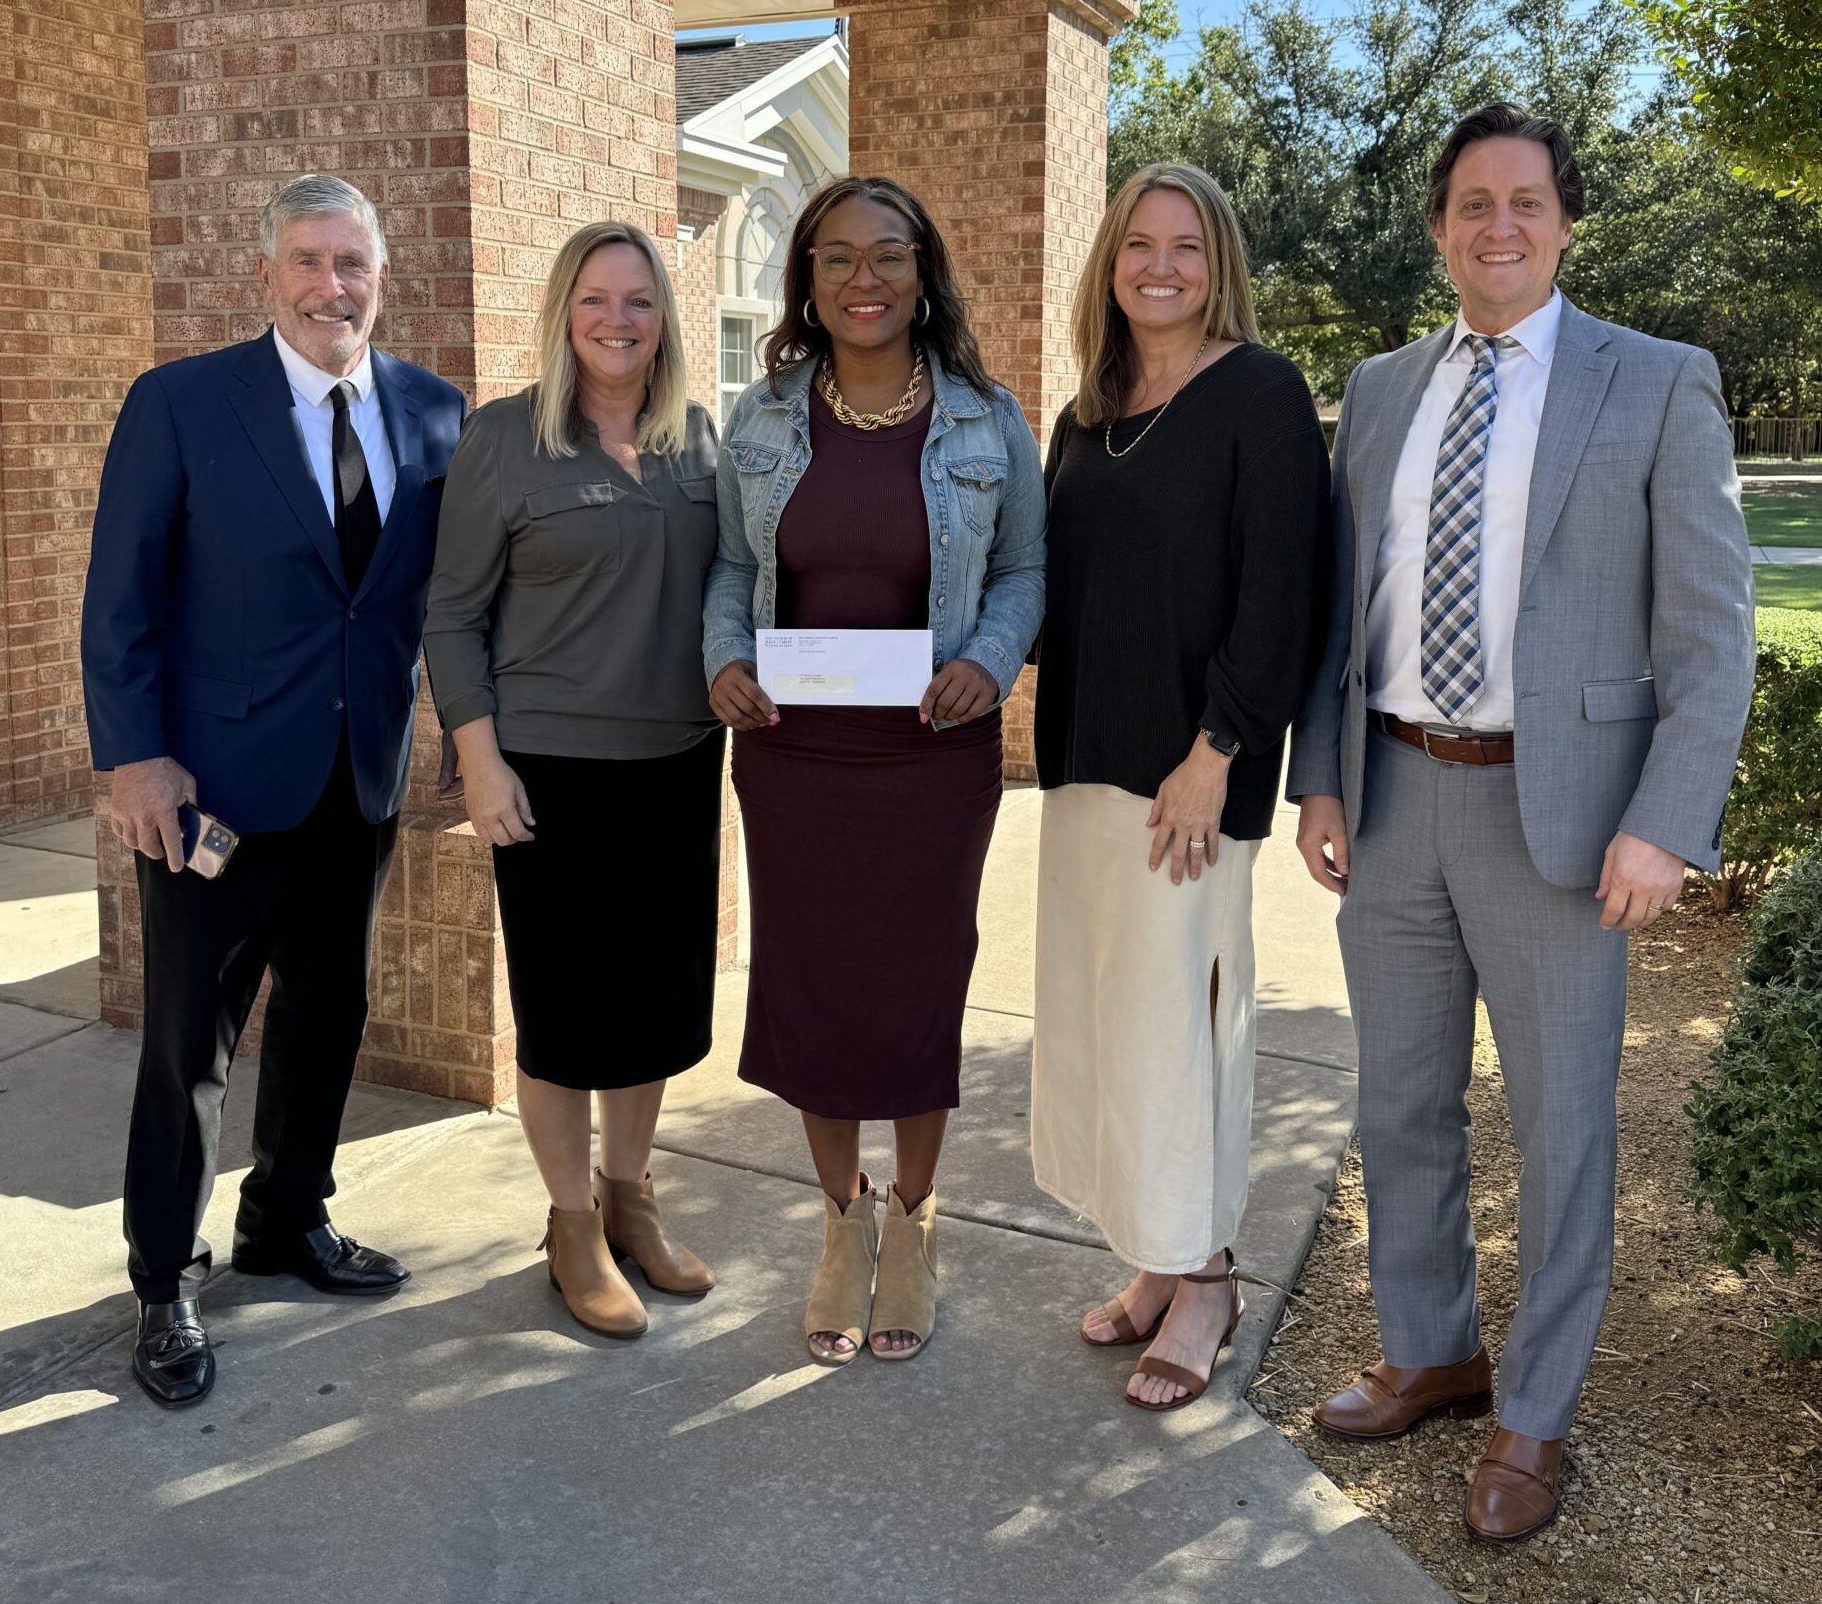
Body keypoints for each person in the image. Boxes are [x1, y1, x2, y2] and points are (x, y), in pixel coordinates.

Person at [1289, 104, 1754, 1540]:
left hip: (1562, 816)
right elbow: (1338, 604)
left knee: (1559, 1129)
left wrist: (1664, 822)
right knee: (1397, 1102)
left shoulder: (1655, 381)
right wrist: (1319, 774)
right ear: (1438, 228)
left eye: (1525, 203)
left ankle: (1534, 1412)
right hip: (1390, 793)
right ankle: (1431, 1347)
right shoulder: (1377, 389)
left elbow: (1711, 632)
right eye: (1471, 204)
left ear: (1562, 222)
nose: (1498, 227)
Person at [81, 175, 466, 1409]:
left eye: (350, 263)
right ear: (265, 275)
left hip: (359, 780)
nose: (328, 286)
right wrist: (135, 756)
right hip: (212, 789)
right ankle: (162, 1276)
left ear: (382, 276)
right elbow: (121, 596)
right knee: (190, 1041)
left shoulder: (433, 412)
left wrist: (467, 721)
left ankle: (287, 1216)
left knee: (330, 1008)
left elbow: (440, 595)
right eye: (306, 260)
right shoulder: (182, 403)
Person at [702, 175, 1045, 1365]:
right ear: (806, 277)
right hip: (793, 750)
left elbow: (1024, 570)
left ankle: (914, 1218)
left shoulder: (986, 419)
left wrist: (989, 661)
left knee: (917, 980)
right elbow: (726, 566)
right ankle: (840, 1221)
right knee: (813, 979)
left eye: (888, 255)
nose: (864, 278)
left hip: (930, 752)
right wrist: (722, 657)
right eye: (837, 256)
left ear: (921, 273)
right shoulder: (761, 417)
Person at [1029, 164, 1331, 1412]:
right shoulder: (1084, 414)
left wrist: (1218, 751)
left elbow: (1281, 592)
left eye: (1186, 246)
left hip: (1188, 777)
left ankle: (1207, 1275)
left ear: (1219, 267)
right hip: (1080, 764)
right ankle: (1155, 1255)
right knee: (1108, 1023)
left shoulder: (1261, 392)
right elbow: (1049, 589)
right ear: (1108, 262)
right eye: (1138, 243)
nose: (1159, 266)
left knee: (1181, 1026)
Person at [424, 221, 722, 1339]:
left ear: (664, 318)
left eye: (638, 300)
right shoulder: (504, 438)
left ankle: (630, 1197)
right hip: (549, 770)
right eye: (595, 298)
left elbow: (738, 583)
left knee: (652, 1007)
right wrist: (479, 758)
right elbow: (451, 614)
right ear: (563, 312)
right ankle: (569, 1225)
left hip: (679, 761)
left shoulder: (698, 439)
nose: (617, 320)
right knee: (563, 1014)